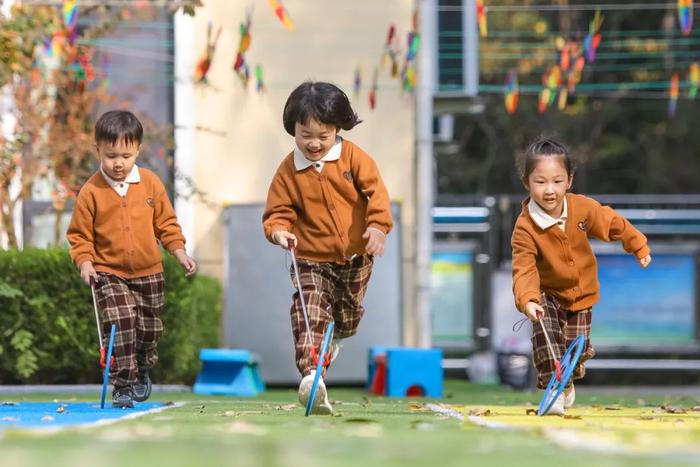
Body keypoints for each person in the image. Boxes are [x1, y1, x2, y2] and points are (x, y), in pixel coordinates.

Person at [263, 81, 393, 414]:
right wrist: (279, 232)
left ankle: (333, 340)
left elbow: (377, 195)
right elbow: (278, 211)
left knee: (347, 318)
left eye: (324, 135)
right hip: (309, 258)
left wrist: (377, 228)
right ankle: (312, 376)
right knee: (309, 309)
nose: (315, 143)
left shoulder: (353, 158)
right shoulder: (288, 170)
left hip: (354, 256)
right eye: (306, 135)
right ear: (293, 128)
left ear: (338, 128)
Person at [511, 137, 651, 415]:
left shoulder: (582, 208)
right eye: (540, 182)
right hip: (546, 294)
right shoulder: (525, 227)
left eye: (557, 181)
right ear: (527, 182)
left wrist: (637, 245)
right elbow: (524, 267)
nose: (549, 190)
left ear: (569, 180)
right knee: (546, 334)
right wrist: (528, 299)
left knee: (578, 346)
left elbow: (613, 224)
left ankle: (568, 377)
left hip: (581, 292)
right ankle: (553, 387)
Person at [67, 110, 196, 408]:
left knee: (148, 329)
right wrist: (85, 263)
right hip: (108, 273)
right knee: (121, 321)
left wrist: (179, 252)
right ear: (97, 149)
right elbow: (79, 236)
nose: (118, 163)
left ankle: (142, 363)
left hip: (150, 273)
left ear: (138, 149)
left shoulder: (150, 184)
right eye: (111, 155)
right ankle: (123, 384)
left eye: (126, 155)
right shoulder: (91, 192)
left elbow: (166, 225)